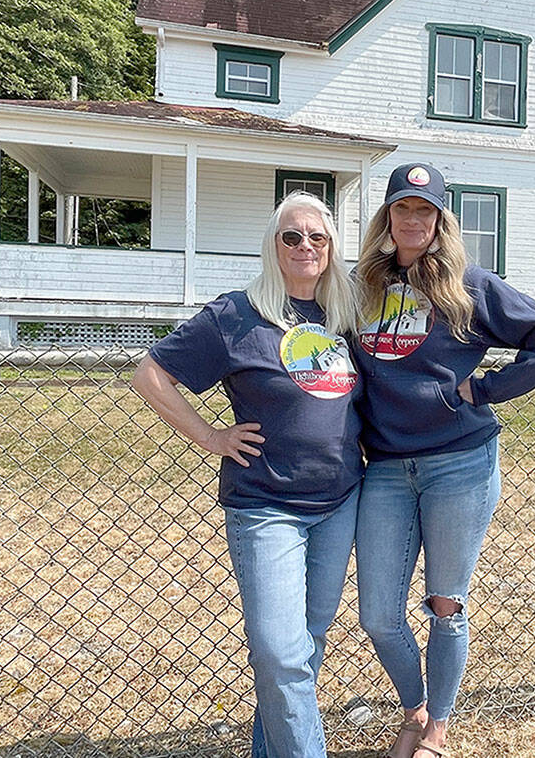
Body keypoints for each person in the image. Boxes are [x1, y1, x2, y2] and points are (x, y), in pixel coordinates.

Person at [352, 163, 535, 758]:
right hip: (385, 468)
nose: (412, 220)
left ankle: (436, 729)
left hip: (459, 462)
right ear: (388, 216)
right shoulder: (362, 285)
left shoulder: (470, 284)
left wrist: (485, 388)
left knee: (445, 603)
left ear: (440, 219)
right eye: (403, 208)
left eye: (424, 211)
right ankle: (413, 706)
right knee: (378, 614)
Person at [131, 191, 362, 758]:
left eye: (317, 237)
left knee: (302, 648)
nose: (305, 246)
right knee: (280, 654)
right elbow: (150, 374)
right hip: (266, 506)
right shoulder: (236, 315)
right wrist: (211, 437)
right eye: (291, 236)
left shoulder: (345, 314)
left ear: (332, 248)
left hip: (339, 501)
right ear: (272, 245)